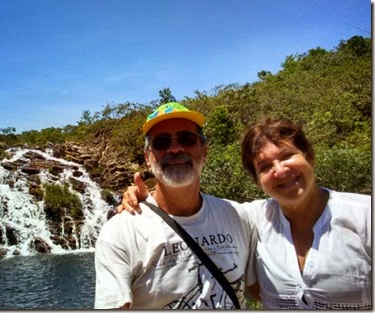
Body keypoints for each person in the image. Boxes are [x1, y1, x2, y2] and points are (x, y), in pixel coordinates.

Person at [119, 117, 372, 309]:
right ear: (257, 180)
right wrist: (144, 199)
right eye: (264, 166)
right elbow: (184, 205)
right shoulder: (251, 217)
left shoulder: (364, 216)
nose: (280, 171)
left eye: (287, 156)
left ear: (309, 156)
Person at [94, 102, 257, 309]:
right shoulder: (119, 232)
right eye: (161, 143)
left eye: (187, 139)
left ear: (204, 152)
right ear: (147, 159)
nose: (175, 148)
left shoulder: (238, 215)